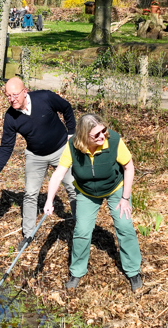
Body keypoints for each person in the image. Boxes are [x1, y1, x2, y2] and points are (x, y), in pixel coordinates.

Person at [44, 114, 142, 292]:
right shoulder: (73, 146)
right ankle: (77, 271)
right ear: (83, 136)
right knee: (81, 230)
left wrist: (125, 198)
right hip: (87, 191)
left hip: (115, 187)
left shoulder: (114, 141)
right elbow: (58, 173)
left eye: (103, 131)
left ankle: (133, 270)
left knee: (124, 226)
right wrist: (49, 200)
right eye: (96, 135)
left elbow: (129, 167)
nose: (102, 136)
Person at [0, 77, 77, 237]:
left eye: (15, 95)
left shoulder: (45, 98)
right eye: (8, 96)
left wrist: (71, 132)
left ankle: (80, 225)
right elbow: (6, 146)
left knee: (72, 187)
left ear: (25, 91)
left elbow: (67, 108)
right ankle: (28, 235)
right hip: (35, 156)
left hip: (62, 150)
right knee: (29, 194)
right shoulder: (10, 117)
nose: (12, 99)